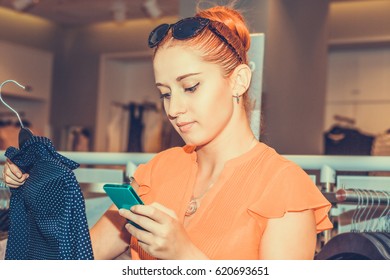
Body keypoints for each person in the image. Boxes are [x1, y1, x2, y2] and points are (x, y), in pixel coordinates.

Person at [3, 4, 332, 260]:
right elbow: (78, 257)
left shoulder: (285, 188)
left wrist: (184, 256)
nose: (173, 109)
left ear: (239, 81)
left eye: (190, 87)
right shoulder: (158, 172)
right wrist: (37, 188)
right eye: (165, 92)